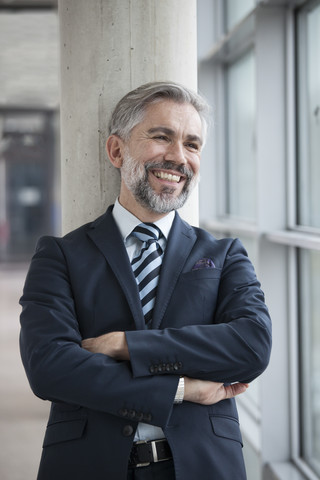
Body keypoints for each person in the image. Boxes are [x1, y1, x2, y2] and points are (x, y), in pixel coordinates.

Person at [19, 81, 272, 480]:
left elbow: (252, 346)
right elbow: (49, 366)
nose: (178, 157)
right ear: (117, 151)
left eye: (192, 144)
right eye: (161, 137)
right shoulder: (60, 255)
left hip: (204, 465)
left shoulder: (224, 255)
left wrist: (127, 346)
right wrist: (182, 389)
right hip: (89, 465)